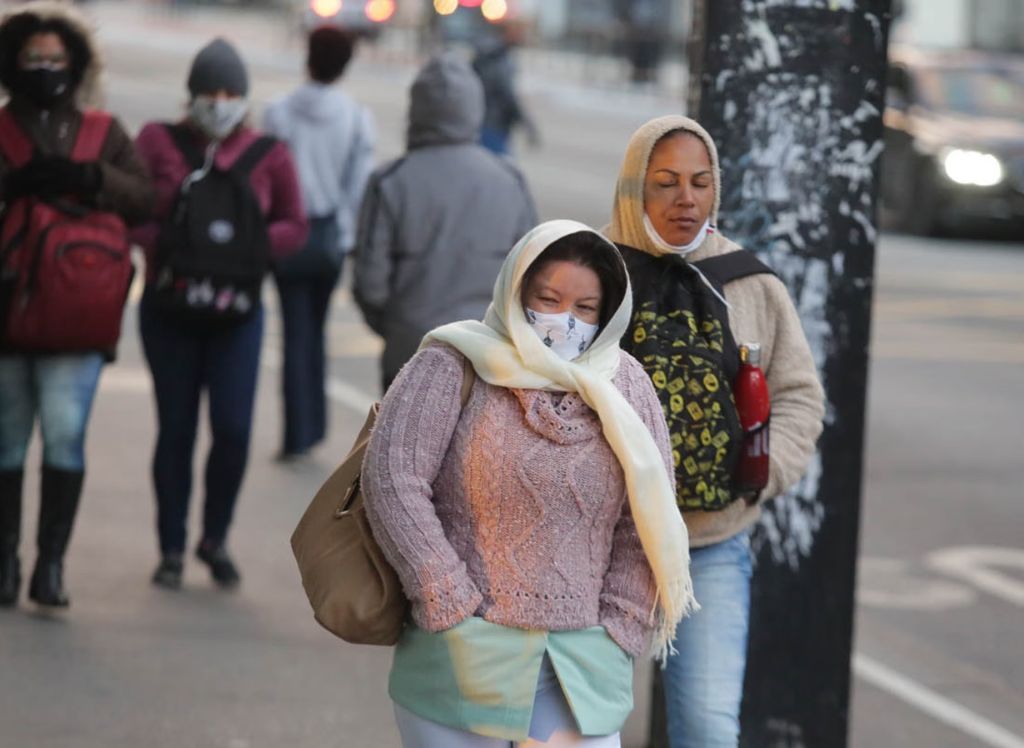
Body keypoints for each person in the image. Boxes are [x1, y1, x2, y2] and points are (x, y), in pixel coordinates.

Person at [362, 220, 698, 748]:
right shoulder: (452, 362)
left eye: (585, 308)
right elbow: (393, 478)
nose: (565, 320)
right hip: (462, 656)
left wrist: (623, 624)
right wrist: (447, 599)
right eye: (549, 298)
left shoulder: (627, 384)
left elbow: (646, 515)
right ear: (517, 290)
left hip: (582, 666)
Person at [605, 115, 826, 747]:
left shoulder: (748, 281)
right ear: (634, 190)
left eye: (701, 183)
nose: (687, 199)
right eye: (667, 182)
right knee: (581, 727)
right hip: (596, 544)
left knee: (707, 727)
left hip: (710, 545)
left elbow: (798, 394)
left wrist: (765, 472)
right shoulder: (590, 271)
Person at [133, 38, 307, 591]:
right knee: (176, 431)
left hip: (237, 316)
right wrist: (169, 244)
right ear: (191, 95)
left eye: (230, 92)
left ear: (245, 98)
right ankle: (171, 546)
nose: (220, 102)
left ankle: (215, 537)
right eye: (209, 92)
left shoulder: (268, 153)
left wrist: (249, 248)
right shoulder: (158, 141)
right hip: (170, 312)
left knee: (232, 430)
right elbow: (130, 210)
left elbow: (295, 222)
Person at [0, 2, 154, 608]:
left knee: (65, 439)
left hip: (76, 321)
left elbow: (145, 199)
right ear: (14, 63)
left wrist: (94, 180)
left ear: (75, 63)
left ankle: (51, 567)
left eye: (55, 58)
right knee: (7, 443)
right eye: (33, 58)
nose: (45, 68)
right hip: (9, 316)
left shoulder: (102, 132)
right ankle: (6, 564)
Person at [353, 51, 537, 392]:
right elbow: (531, 277)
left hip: (412, 346)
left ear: (416, 109)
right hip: (491, 352)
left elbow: (370, 282)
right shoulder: (509, 180)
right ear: (475, 108)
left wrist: (396, 326)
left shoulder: (391, 180)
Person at [262, 26, 375, 462]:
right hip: (329, 235)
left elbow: (268, 178)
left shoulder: (278, 112)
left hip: (289, 235)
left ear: (307, 57)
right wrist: (344, 234)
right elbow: (358, 184)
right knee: (318, 328)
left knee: (294, 332)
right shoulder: (355, 116)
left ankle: (295, 431)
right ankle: (314, 426)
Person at [471, 19, 539, 156]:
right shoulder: (498, 59)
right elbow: (508, 96)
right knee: (500, 169)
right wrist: (527, 125)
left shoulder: (486, 53)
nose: (522, 36)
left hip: (479, 121)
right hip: (494, 124)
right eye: (519, 32)